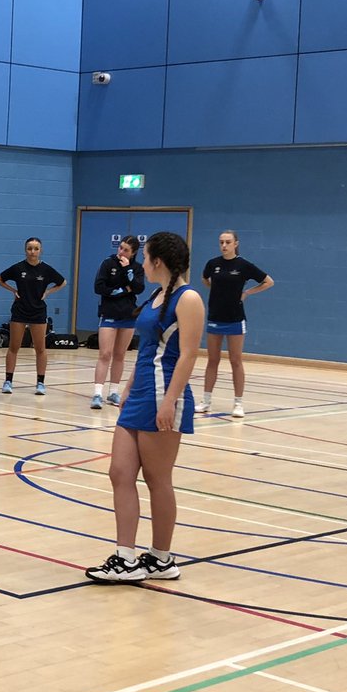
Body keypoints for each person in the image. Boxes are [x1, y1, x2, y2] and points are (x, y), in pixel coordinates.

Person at [86, 232, 202, 583]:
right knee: (119, 472)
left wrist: (169, 401)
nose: (142, 264)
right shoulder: (156, 294)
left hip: (166, 395)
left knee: (157, 479)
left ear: (158, 261)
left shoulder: (189, 298)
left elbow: (188, 354)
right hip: (140, 396)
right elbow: (149, 347)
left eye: (146, 256)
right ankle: (126, 557)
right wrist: (128, 385)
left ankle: (162, 559)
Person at [198, 230, 273, 418]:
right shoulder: (212, 264)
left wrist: (247, 293)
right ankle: (206, 401)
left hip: (235, 319)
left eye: (228, 242)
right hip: (215, 317)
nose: (224, 245)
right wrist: (215, 289)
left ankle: (238, 403)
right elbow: (204, 278)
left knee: (235, 361)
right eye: (221, 242)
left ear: (236, 243)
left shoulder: (244, 265)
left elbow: (268, 282)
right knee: (212, 360)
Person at [0, 237, 66, 396]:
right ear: (25, 250)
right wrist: (12, 290)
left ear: (40, 250)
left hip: (38, 311)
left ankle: (40, 382)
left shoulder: (46, 270)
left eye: (36, 248)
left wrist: (48, 292)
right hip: (20, 311)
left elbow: (62, 282)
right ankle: (8, 381)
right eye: (29, 248)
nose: (32, 251)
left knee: (40, 348)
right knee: (14, 347)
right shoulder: (18, 267)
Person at [92, 235, 145, 410]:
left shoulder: (136, 268)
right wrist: (122, 290)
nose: (121, 252)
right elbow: (99, 287)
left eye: (126, 250)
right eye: (120, 248)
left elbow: (138, 287)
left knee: (120, 355)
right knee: (105, 353)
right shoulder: (108, 264)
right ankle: (97, 393)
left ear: (134, 252)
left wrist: (128, 271)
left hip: (128, 315)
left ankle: (113, 391)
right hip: (109, 313)